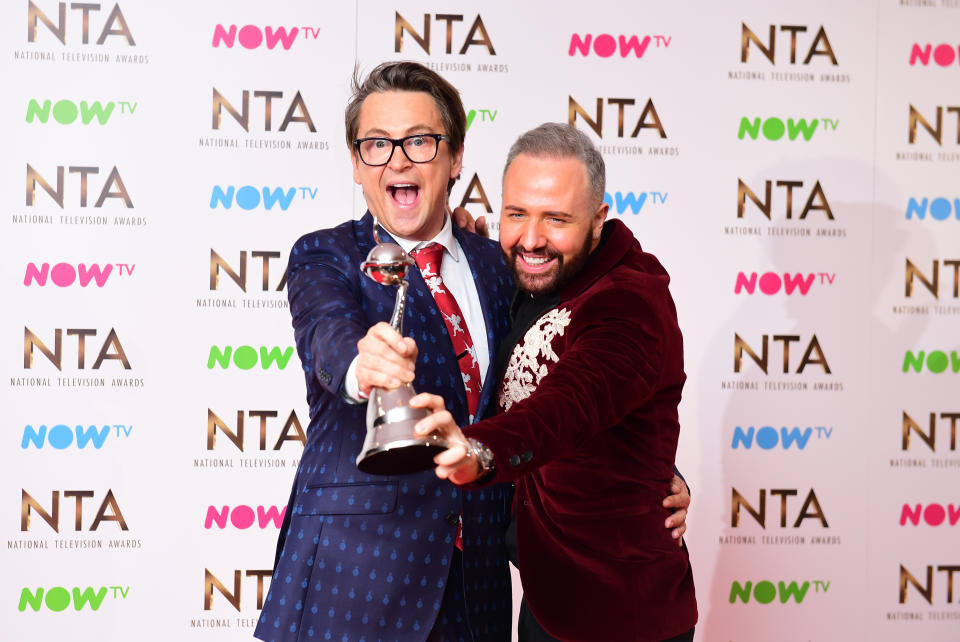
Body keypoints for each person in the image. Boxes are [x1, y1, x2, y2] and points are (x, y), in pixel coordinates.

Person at [255, 62, 689, 642]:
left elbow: (577, 383)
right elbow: (325, 333)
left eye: (420, 141)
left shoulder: (501, 262)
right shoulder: (325, 255)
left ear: (455, 158)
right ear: (357, 164)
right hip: (353, 581)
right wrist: (365, 366)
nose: (399, 160)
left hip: (478, 588)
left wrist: (655, 470)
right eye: (377, 144)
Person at [408, 123, 698, 642]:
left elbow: (570, 405)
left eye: (556, 218)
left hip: (622, 615)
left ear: (597, 220)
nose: (532, 238)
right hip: (552, 600)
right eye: (517, 214)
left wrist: (479, 450)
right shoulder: (541, 273)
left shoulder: (629, 302)